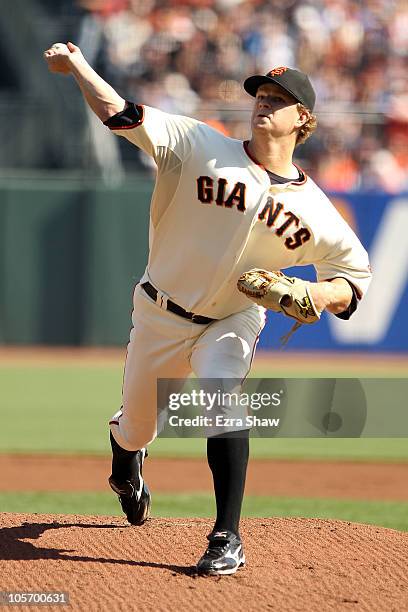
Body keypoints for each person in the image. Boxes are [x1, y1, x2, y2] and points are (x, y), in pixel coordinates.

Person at [44, 43, 372, 576]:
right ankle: (126, 457)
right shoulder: (198, 143)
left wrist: (316, 295)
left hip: (232, 319)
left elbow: (354, 281)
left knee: (224, 397)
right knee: (137, 427)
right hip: (159, 312)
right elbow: (121, 114)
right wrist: (79, 66)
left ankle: (226, 535)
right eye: (261, 94)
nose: (264, 102)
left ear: (303, 118)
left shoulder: (315, 210)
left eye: (278, 98)